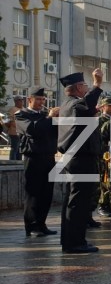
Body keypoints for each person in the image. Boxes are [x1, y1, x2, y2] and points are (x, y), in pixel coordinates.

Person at [58, 69, 104, 254]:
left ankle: (70, 240)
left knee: (73, 200)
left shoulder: (69, 105)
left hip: (77, 158)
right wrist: (97, 84)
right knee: (78, 202)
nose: (87, 88)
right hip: (81, 159)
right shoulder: (75, 105)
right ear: (78, 87)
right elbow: (87, 105)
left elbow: (88, 109)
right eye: (85, 85)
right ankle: (75, 243)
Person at [15, 87, 59, 237]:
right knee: (33, 192)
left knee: (47, 192)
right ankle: (32, 226)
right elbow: (33, 130)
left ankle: (42, 223)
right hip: (33, 157)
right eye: (38, 99)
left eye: (43, 100)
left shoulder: (45, 116)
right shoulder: (22, 115)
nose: (41, 102)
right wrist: (49, 118)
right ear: (30, 100)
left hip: (49, 156)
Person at [96, 98, 111, 217]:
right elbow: (98, 138)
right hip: (104, 155)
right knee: (104, 181)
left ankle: (110, 204)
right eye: (110, 106)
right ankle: (103, 205)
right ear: (103, 107)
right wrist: (107, 147)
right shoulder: (100, 120)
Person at [5, 95, 24, 160]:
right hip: (14, 133)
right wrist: (10, 127)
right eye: (20, 100)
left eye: (22, 100)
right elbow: (6, 121)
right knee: (15, 148)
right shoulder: (12, 110)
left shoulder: (24, 109)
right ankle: (12, 162)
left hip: (23, 133)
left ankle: (19, 163)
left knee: (20, 149)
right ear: (15, 101)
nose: (21, 101)